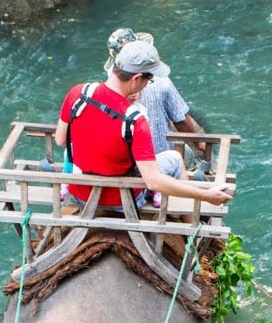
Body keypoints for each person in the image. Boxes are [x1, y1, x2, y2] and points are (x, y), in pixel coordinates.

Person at [53, 41, 232, 210]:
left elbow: (61, 140)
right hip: (122, 200)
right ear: (136, 78)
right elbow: (153, 181)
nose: (147, 84)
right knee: (175, 159)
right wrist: (206, 195)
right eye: (149, 80)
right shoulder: (135, 120)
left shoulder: (78, 93)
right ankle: (190, 230)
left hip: (81, 193)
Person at [103, 28, 204, 155]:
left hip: (125, 160)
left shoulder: (107, 87)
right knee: (183, 156)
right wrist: (199, 144)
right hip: (159, 157)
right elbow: (181, 120)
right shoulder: (162, 82)